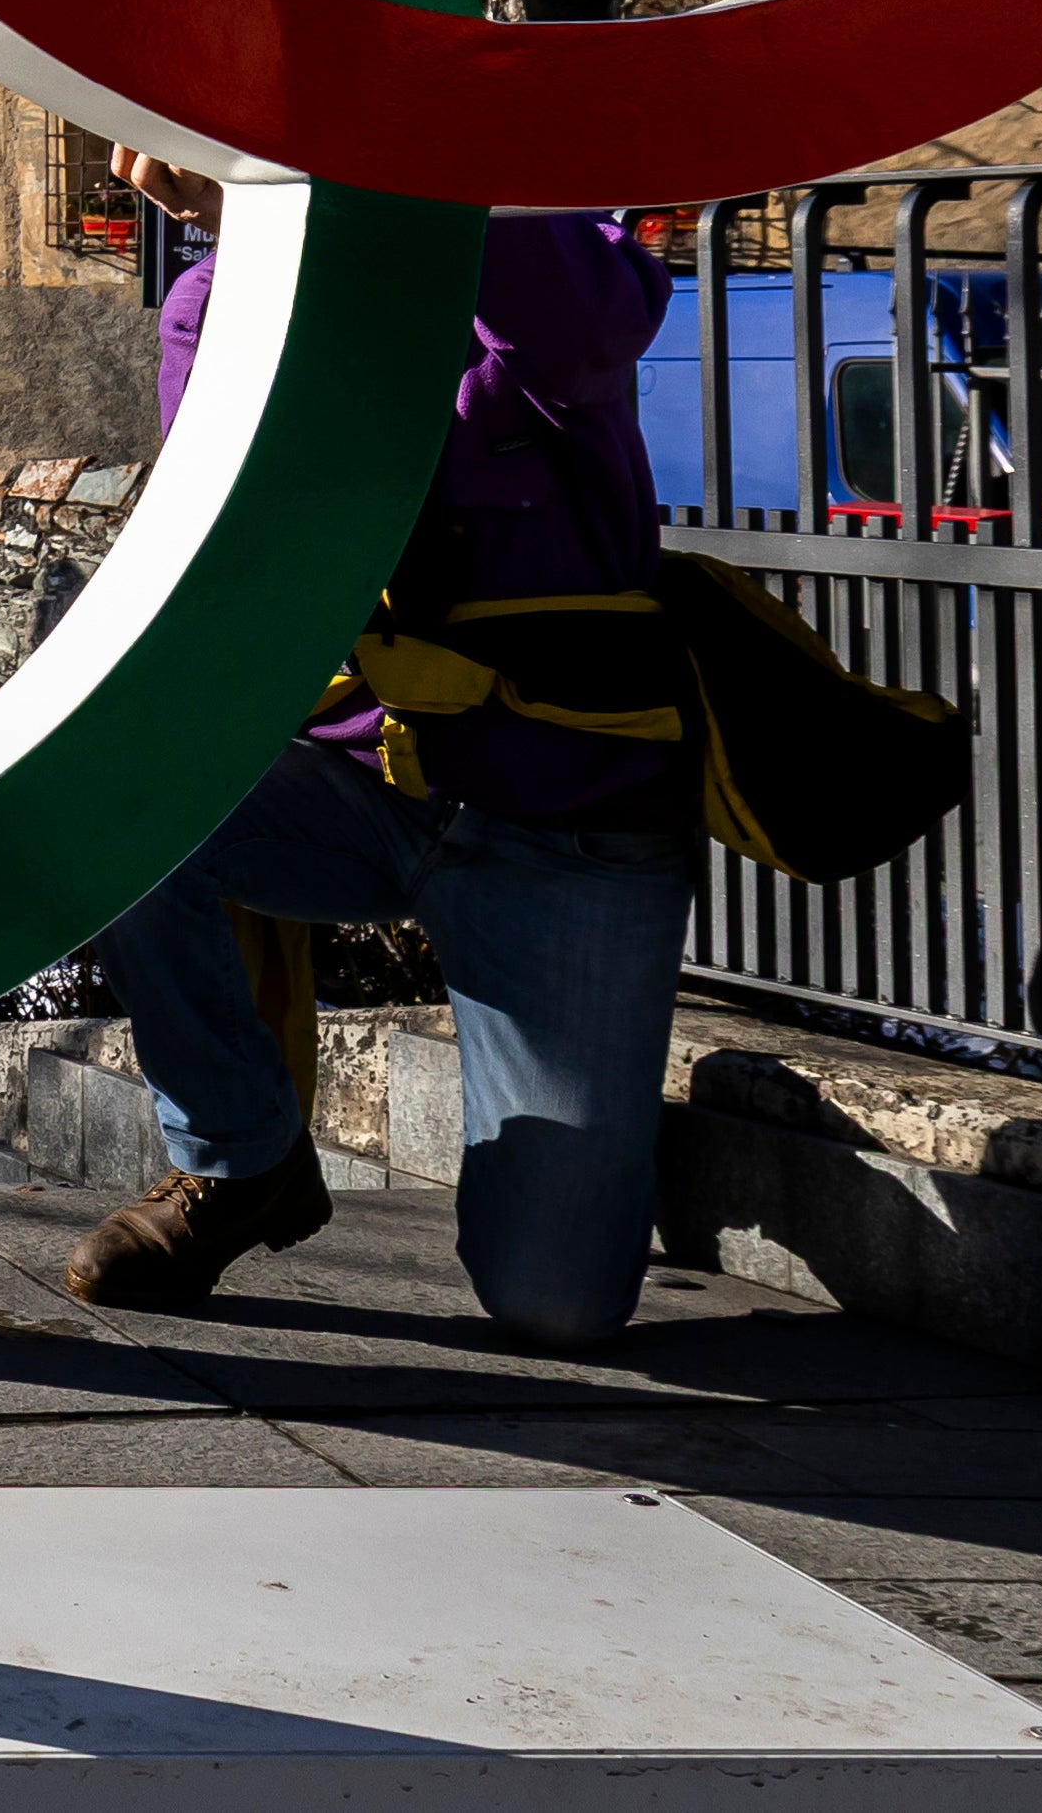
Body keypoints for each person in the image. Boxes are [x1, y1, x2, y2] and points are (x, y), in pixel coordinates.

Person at [59, 152, 694, 1346]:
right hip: (361, 790)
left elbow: (582, 326)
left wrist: (376, 141)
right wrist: (258, 229)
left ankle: (588, 1133)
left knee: (555, 1301)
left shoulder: (543, 251)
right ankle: (241, 1157)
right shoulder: (214, 300)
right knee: (110, 804)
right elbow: (241, 548)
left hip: (567, 819)